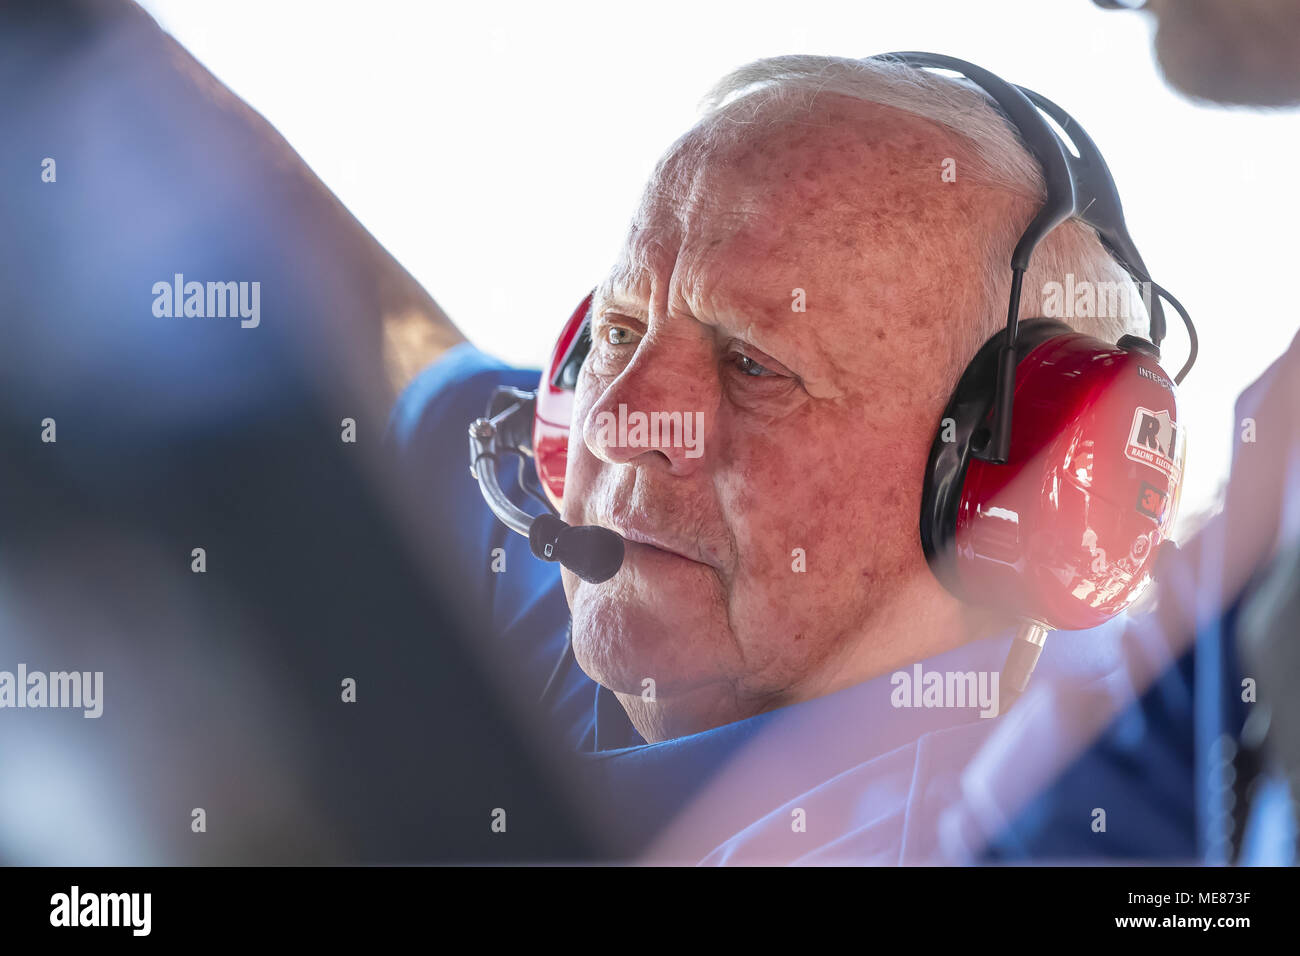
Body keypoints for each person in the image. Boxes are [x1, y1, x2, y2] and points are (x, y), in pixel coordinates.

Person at [390, 54, 1182, 861]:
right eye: (619, 333)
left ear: (1012, 481)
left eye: (754, 366)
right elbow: (373, 341)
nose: (615, 426)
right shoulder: (634, 571)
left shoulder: (1012, 834)